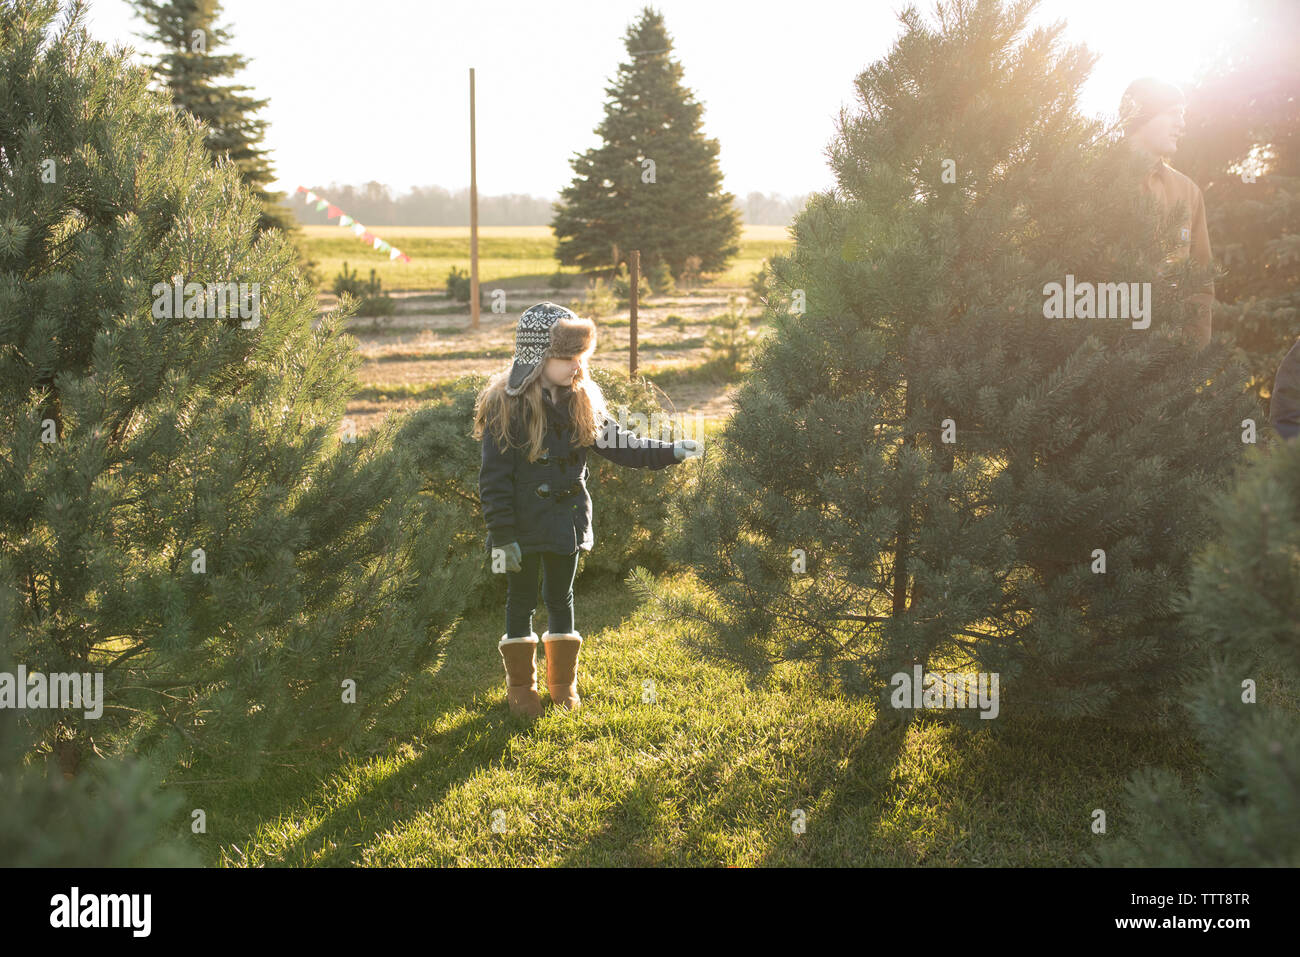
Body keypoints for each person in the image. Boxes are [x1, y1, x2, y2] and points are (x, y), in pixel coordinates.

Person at [473, 301, 701, 717]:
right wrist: (503, 537)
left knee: (561, 596)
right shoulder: (506, 408)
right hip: (520, 529)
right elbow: (493, 482)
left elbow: (622, 444)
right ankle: (521, 688)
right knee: (520, 600)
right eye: (566, 358)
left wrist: (669, 452)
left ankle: (563, 684)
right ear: (538, 357)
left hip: (566, 523)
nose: (577, 366)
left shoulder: (583, 401)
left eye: (581, 357)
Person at [1119, 77, 1216, 349]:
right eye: (1173, 113)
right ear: (1140, 114)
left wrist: (1191, 355)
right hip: (1095, 356)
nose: (1182, 125)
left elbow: (1200, 282)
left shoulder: (1189, 192)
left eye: (1183, 115)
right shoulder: (1089, 178)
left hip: (1166, 361)